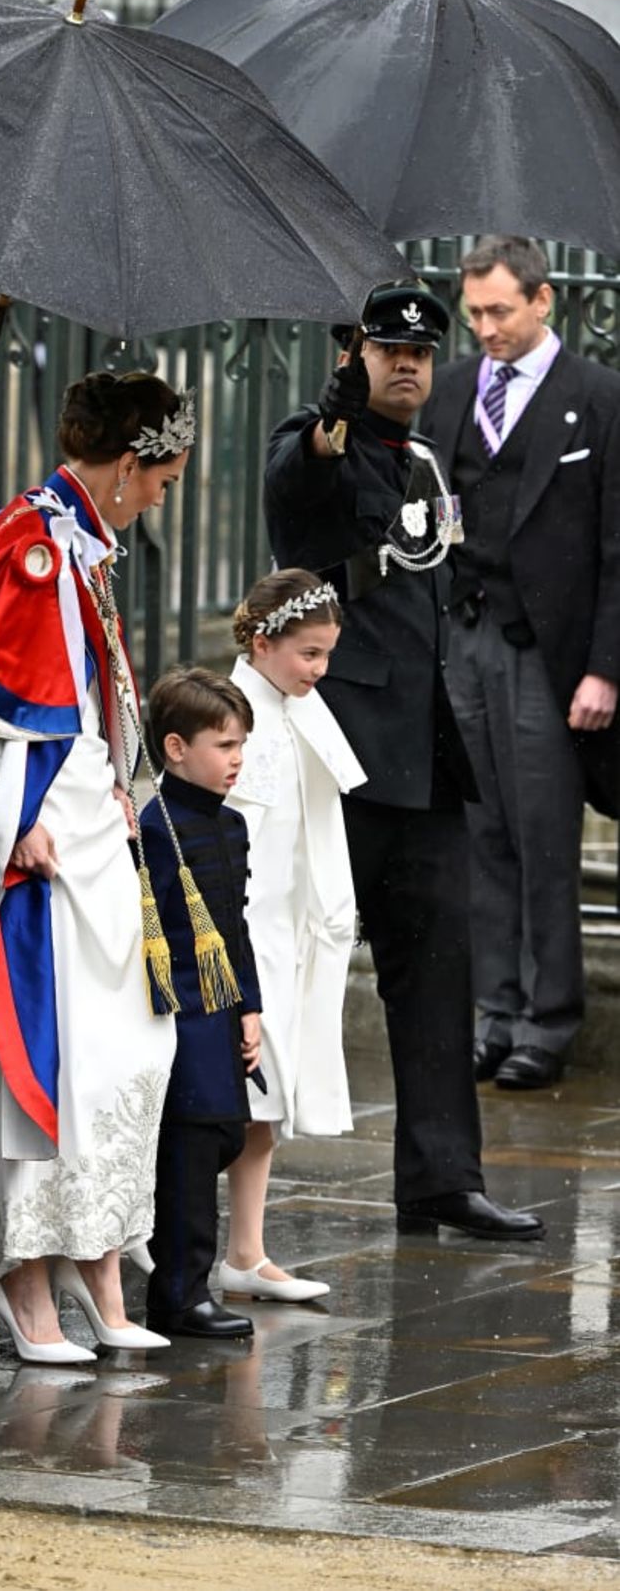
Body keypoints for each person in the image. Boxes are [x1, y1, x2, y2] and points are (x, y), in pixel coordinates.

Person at [0, 371, 196, 1361]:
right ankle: (23, 1273)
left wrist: (114, 773)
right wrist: (13, 819)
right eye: (161, 475)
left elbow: (77, 694)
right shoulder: (28, 543)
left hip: (92, 812)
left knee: (119, 1054)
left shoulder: (76, 543)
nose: (166, 492)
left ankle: (98, 1265)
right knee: (49, 1050)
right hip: (43, 831)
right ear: (120, 464)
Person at [264, 281, 543, 1241]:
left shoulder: (423, 456)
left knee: (436, 976)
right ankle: (213, 1193)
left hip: (426, 754)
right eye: (388, 350)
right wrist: (334, 415)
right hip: (340, 756)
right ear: (354, 354)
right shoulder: (317, 442)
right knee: (286, 962)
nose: (409, 364)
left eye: (421, 352)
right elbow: (298, 494)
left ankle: (440, 1180)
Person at [421, 236, 620, 1091]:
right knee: (481, 835)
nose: (485, 327)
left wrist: (605, 668)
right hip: (463, 636)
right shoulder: (457, 387)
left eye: (500, 310)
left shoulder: (599, 398)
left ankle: (548, 1019)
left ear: (544, 302)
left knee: (544, 839)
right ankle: (493, 1012)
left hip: (550, 653)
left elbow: (618, 546)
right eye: (474, 313)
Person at [220, 569, 363, 1303]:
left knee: (265, 1106)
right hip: (254, 926)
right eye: (309, 653)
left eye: (327, 654)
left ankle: (246, 1249)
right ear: (265, 641)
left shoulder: (299, 706)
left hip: (293, 924)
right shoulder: (241, 712)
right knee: (242, 1093)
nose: (320, 669)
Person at [140, 666, 260, 1341]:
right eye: (223, 745)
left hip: (220, 1010)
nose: (236, 759)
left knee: (223, 1135)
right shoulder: (157, 827)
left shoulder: (233, 826)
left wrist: (249, 1004)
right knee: (189, 1145)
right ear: (178, 748)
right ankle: (180, 1293)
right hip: (177, 1012)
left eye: (241, 744)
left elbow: (233, 924)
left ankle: (183, 1282)